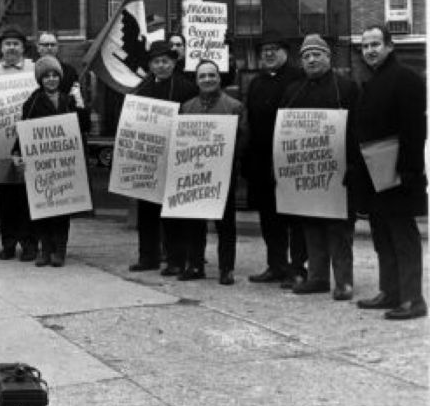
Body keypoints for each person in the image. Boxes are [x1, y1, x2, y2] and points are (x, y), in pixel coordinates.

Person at [352, 25, 427, 320]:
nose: (370, 50)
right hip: (375, 173)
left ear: (390, 46)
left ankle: (413, 298)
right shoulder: (373, 81)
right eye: (365, 45)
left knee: (403, 236)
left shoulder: (405, 79)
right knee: (382, 234)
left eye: (375, 44)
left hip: (398, 173)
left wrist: (409, 170)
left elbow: (414, 129)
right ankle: (390, 291)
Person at [280, 34, 359, 300]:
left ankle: (344, 281)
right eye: (306, 56)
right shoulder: (293, 92)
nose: (311, 59)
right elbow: (284, 134)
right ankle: (317, 277)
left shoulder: (347, 88)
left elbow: (358, 129)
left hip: (340, 173)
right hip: (307, 174)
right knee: (311, 226)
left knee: (339, 230)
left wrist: (354, 164)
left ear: (328, 56)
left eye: (317, 54)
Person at [127, 39, 197, 274]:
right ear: (150, 65)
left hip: (175, 158)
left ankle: (176, 260)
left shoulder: (186, 88)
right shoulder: (141, 88)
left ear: (174, 63)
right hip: (148, 160)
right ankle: (148, 257)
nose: (161, 66)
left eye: (165, 61)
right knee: (146, 212)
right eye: (156, 62)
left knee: (172, 213)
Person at [243, 31, 307, 286]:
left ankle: (298, 267)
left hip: (289, 159)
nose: (268, 54)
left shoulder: (299, 79)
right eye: (264, 50)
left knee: (294, 218)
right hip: (261, 162)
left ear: (285, 52)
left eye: (274, 48)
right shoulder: (256, 82)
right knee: (269, 218)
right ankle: (275, 265)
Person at [178, 59, 249, 285]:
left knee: (225, 224)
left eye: (211, 75)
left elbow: (244, 139)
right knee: (193, 223)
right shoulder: (187, 107)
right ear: (196, 81)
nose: (207, 79)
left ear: (219, 78)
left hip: (223, 175)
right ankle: (195, 264)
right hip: (194, 174)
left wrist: (227, 159)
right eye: (202, 76)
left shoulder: (234, 106)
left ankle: (226, 268)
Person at [16, 55, 90, 267]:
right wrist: (17, 153)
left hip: (64, 167)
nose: (51, 79)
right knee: (42, 211)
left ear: (60, 77)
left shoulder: (69, 100)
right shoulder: (32, 102)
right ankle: (45, 250)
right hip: (42, 167)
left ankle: (60, 250)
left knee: (62, 212)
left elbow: (83, 126)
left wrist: (81, 104)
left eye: (54, 75)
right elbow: (24, 130)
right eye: (46, 76)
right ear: (40, 79)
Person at [0, 26, 37, 261]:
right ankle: (8, 243)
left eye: (16, 43)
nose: (12, 47)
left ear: (23, 47)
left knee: (28, 198)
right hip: (2, 145)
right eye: (8, 44)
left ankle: (28, 244)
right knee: (6, 198)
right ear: (1, 48)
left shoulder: (34, 70)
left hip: (29, 144)